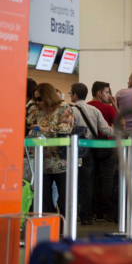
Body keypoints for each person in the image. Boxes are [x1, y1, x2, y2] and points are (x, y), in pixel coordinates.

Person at [69, 83, 115, 225]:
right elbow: (106, 130)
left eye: (71, 93)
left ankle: (72, 214)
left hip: (75, 151)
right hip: (90, 151)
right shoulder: (94, 110)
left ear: (75, 95)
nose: (70, 95)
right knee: (87, 184)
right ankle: (86, 216)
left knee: (72, 183)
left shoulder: (70, 110)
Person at [27, 83, 74, 217]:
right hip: (44, 161)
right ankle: (51, 224)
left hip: (62, 160)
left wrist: (44, 129)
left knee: (65, 198)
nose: (37, 102)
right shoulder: (38, 111)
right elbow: (28, 121)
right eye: (35, 99)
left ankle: (65, 228)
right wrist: (33, 106)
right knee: (43, 197)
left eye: (39, 99)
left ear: (48, 96)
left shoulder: (63, 107)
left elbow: (66, 128)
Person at [87, 81, 122, 222]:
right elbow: (122, 123)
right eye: (107, 92)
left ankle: (95, 212)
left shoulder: (86, 107)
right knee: (107, 180)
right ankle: (108, 212)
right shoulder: (108, 108)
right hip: (106, 147)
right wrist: (115, 106)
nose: (109, 95)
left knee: (93, 180)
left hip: (89, 147)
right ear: (99, 93)